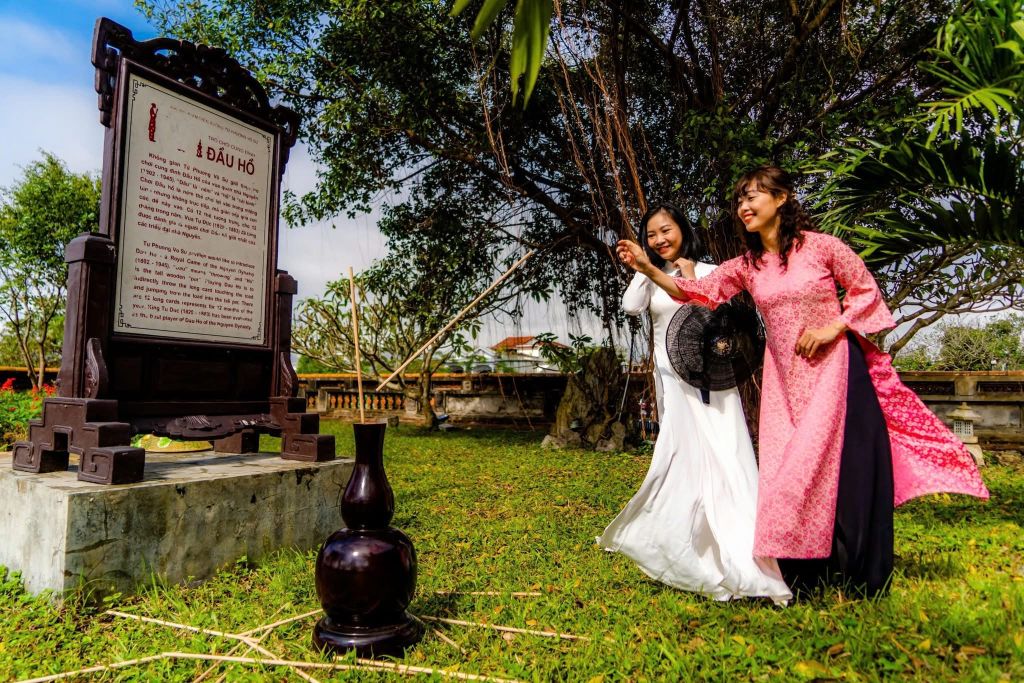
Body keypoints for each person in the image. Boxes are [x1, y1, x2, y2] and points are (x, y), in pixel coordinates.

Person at [616, 167, 989, 598]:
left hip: (836, 370)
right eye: (739, 200)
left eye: (752, 197)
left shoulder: (823, 248)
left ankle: (861, 574)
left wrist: (835, 327)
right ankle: (804, 573)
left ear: (782, 199)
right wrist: (647, 266)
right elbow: (695, 293)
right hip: (784, 381)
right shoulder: (749, 266)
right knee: (786, 472)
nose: (743, 207)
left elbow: (865, 290)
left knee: (847, 473)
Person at [598, 202, 792, 605]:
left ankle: (745, 556)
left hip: (712, 381)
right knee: (681, 458)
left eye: (666, 230)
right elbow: (630, 307)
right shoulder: (650, 279)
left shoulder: (706, 270)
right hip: (671, 380)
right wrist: (643, 267)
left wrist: (688, 277)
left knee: (726, 456)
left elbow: (725, 320)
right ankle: (691, 549)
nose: (660, 240)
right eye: (651, 235)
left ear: (683, 230)